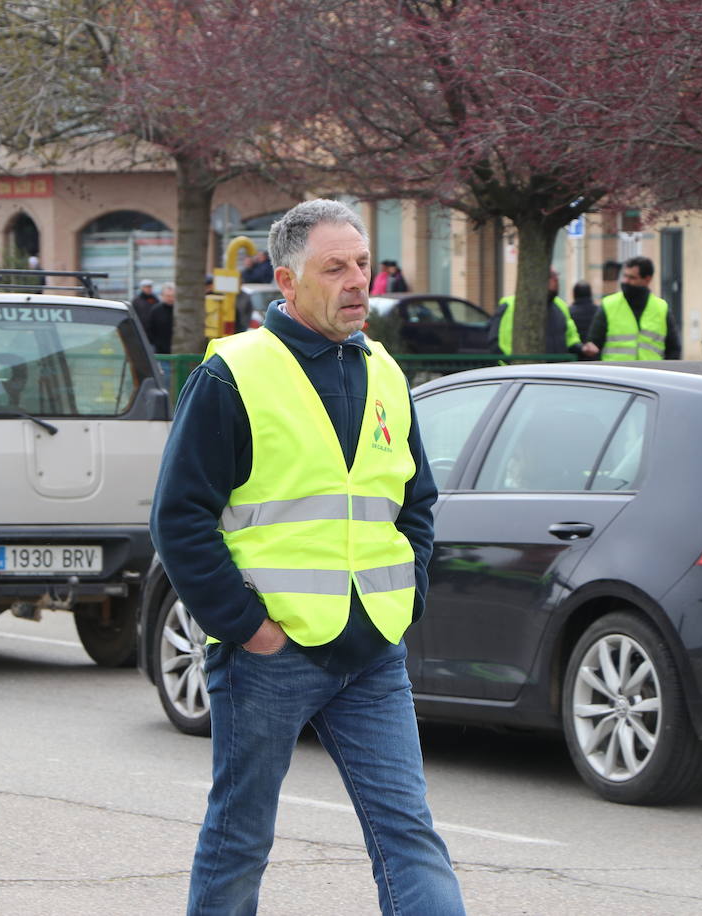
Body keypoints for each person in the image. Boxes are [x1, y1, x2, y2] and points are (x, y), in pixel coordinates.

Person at [151, 199, 463, 915]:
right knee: (240, 838)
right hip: (271, 654)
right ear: (287, 284)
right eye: (336, 268)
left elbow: (415, 502)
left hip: (373, 650)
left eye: (362, 263)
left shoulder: (384, 371)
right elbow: (179, 518)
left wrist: (406, 596)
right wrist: (247, 627)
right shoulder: (232, 374)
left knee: (409, 834)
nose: (360, 281)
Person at [582, 256, 681, 360]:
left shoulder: (661, 308)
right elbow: (593, 345)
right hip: (616, 373)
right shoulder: (609, 304)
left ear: (647, 279)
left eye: (632, 278)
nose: (625, 281)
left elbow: (674, 348)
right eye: (624, 276)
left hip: (650, 373)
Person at [488, 269, 583, 357]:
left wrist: (582, 348)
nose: (556, 279)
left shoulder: (561, 305)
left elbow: (571, 338)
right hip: (520, 371)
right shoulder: (509, 306)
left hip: (557, 371)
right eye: (551, 276)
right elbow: (494, 343)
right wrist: (512, 365)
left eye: (556, 276)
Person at [147, 282, 176, 354]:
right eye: (168, 296)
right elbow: (150, 329)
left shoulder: (180, 311)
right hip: (161, 350)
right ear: (162, 296)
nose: (170, 298)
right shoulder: (155, 310)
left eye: (173, 296)